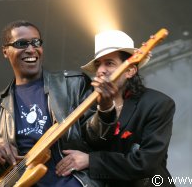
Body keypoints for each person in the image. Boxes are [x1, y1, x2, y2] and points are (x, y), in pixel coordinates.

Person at [0, 20, 107, 187]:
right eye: (21, 43)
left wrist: (106, 109)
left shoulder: (72, 84)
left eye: (36, 42)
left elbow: (99, 138)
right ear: (5, 51)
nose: (31, 49)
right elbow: (1, 178)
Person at [55, 30, 176, 187]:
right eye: (98, 64)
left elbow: (145, 163)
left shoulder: (158, 104)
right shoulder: (88, 105)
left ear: (130, 71)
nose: (101, 70)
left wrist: (91, 161)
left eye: (109, 63)